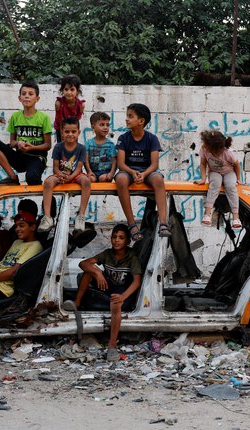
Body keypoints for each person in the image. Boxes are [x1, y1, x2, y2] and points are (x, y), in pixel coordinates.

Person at [73, 224, 142, 361]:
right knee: (88, 272)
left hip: (124, 292)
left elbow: (136, 282)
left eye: (121, 238)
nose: (116, 240)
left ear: (128, 241)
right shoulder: (107, 254)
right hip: (109, 287)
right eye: (114, 237)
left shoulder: (131, 257)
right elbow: (83, 264)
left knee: (115, 304)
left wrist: (123, 297)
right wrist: (97, 272)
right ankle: (76, 304)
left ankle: (112, 345)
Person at [114, 103, 171, 240]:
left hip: (147, 172)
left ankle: (163, 223)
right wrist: (133, 173)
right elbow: (121, 164)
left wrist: (144, 174)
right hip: (128, 171)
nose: (127, 119)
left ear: (141, 121)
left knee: (158, 179)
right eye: (127, 116)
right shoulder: (123, 138)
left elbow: (154, 164)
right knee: (121, 179)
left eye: (130, 116)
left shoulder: (152, 139)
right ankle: (132, 224)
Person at [0, 80, 52, 185]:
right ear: (19, 98)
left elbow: (48, 145)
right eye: (23, 94)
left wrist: (32, 147)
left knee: (32, 179)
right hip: (20, 156)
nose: (26, 96)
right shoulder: (15, 117)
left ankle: (44, 193)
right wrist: (18, 143)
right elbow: (12, 142)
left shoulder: (44, 118)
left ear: (37, 99)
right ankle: (12, 177)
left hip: (36, 158)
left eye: (30, 94)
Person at [38, 117, 91, 233]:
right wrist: (60, 175)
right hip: (60, 175)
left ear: (78, 132)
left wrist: (70, 178)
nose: (70, 134)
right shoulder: (58, 147)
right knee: (47, 183)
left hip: (75, 175)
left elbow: (78, 168)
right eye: (67, 131)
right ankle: (47, 217)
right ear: (62, 132)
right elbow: (55, 167)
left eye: (73, 132)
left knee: (86, 181)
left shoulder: (81, 148)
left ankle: (81, 216)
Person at [194, 130, 242, 228]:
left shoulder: (228, 152)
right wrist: (203, 179)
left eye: (217, 151)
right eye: (213, 151)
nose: (215, 153)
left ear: (223, 147)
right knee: (215, 184)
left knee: (230, 186)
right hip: (214, 172)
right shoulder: (204, 149)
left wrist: (238, 179)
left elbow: (236, 165)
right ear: (207, 146)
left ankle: (236, 217)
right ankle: (207, 214)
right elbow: (203, 164)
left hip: (229, 172)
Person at [85, 111, 117, 182]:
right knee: (91, 179)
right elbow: (86, 159)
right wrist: (89, 172)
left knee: (102, 178)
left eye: (107, 125)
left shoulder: (110, 144)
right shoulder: (88, 143)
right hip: (93, 172)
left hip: (106, 172)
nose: (105, 127)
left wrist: (111, 173)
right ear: (93, 127)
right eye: (102, 125)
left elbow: (114, 160)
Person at [54, 74, 85, 143]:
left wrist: (73, 133)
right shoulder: (59, 103)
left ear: (77, 91)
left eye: (72, 89)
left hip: (73, 128)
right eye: (66, 89)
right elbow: (60, 121)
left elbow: (77, 121)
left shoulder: (80, 105)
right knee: (61, 147)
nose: (69, 92)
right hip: (60, 128)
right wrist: (63, 135)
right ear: (62, 91)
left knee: (73, 148)